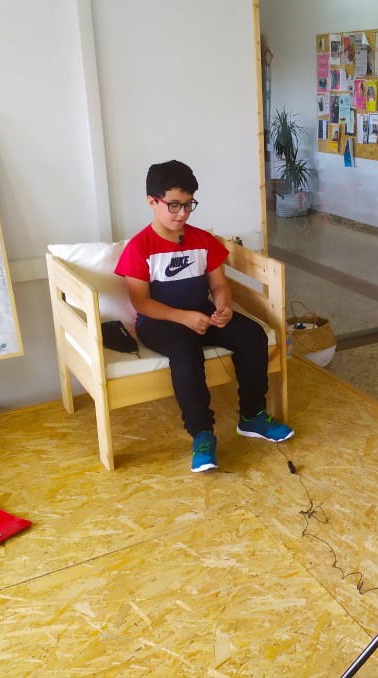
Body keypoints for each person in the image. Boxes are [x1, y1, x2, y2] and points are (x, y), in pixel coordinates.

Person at [115, 160, 294, 473]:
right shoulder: (139, 247)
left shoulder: (202, 240)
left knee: (252, 335)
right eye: (173, 205)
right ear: (152, 202)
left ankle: (252, 416)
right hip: (158, 322)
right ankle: (202, 434)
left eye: (188, 205)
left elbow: (219, 285)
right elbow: (141, 302)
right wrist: (183, 317)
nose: (182, 213)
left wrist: (223, 307)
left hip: (202, 313)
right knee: (185, 350)